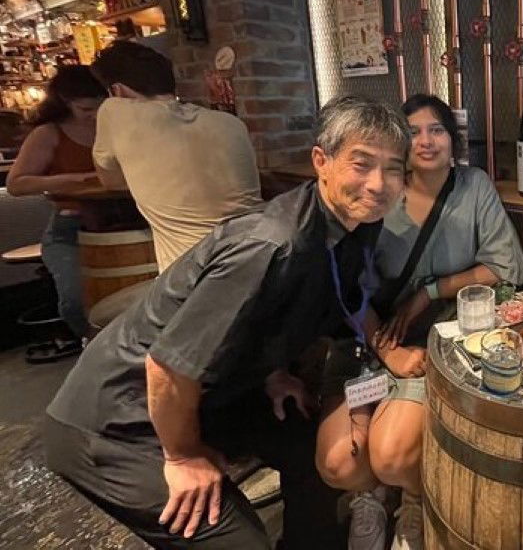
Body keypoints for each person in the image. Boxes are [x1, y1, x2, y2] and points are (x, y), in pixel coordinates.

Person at [44, 97, 410, 549]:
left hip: (210, 393)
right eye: (362, 163)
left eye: (393, 169)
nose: (378, 183)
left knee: (308, 452)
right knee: (239, 540)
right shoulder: (272, 244)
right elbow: (167, 366)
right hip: (118, 419)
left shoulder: (353, 225)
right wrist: (182, 456)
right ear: (322, 161)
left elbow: (279, 313)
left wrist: (273, 372)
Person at [315, 94, 523, 550]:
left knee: (391, 455)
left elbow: (506, 268)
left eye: (438, 130)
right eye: (412, 132)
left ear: (454, 140)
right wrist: (385, 349)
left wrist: (429, 291)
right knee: (340, 463)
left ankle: (413, 497)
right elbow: (344, 286)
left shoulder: (473, 186)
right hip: (370, 340)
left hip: (433, 339)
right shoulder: (379, 194)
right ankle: (369, 497)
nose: (426, 141)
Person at [90, 40, 262, 271]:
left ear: (116, 90)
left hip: (194, 281)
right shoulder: (230, 123)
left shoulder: (114, 111)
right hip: (261, 257)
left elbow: (112, 181)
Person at [7, 65, 107, 347]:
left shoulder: (114, 125)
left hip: (118, 222)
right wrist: (78, 179)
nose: (94, 114)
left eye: (100, 106)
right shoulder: (49, 133)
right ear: (65, 101)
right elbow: (16, 184)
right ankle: (92, 347)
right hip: (70, 227)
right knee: (75, 300)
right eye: (86, 108)